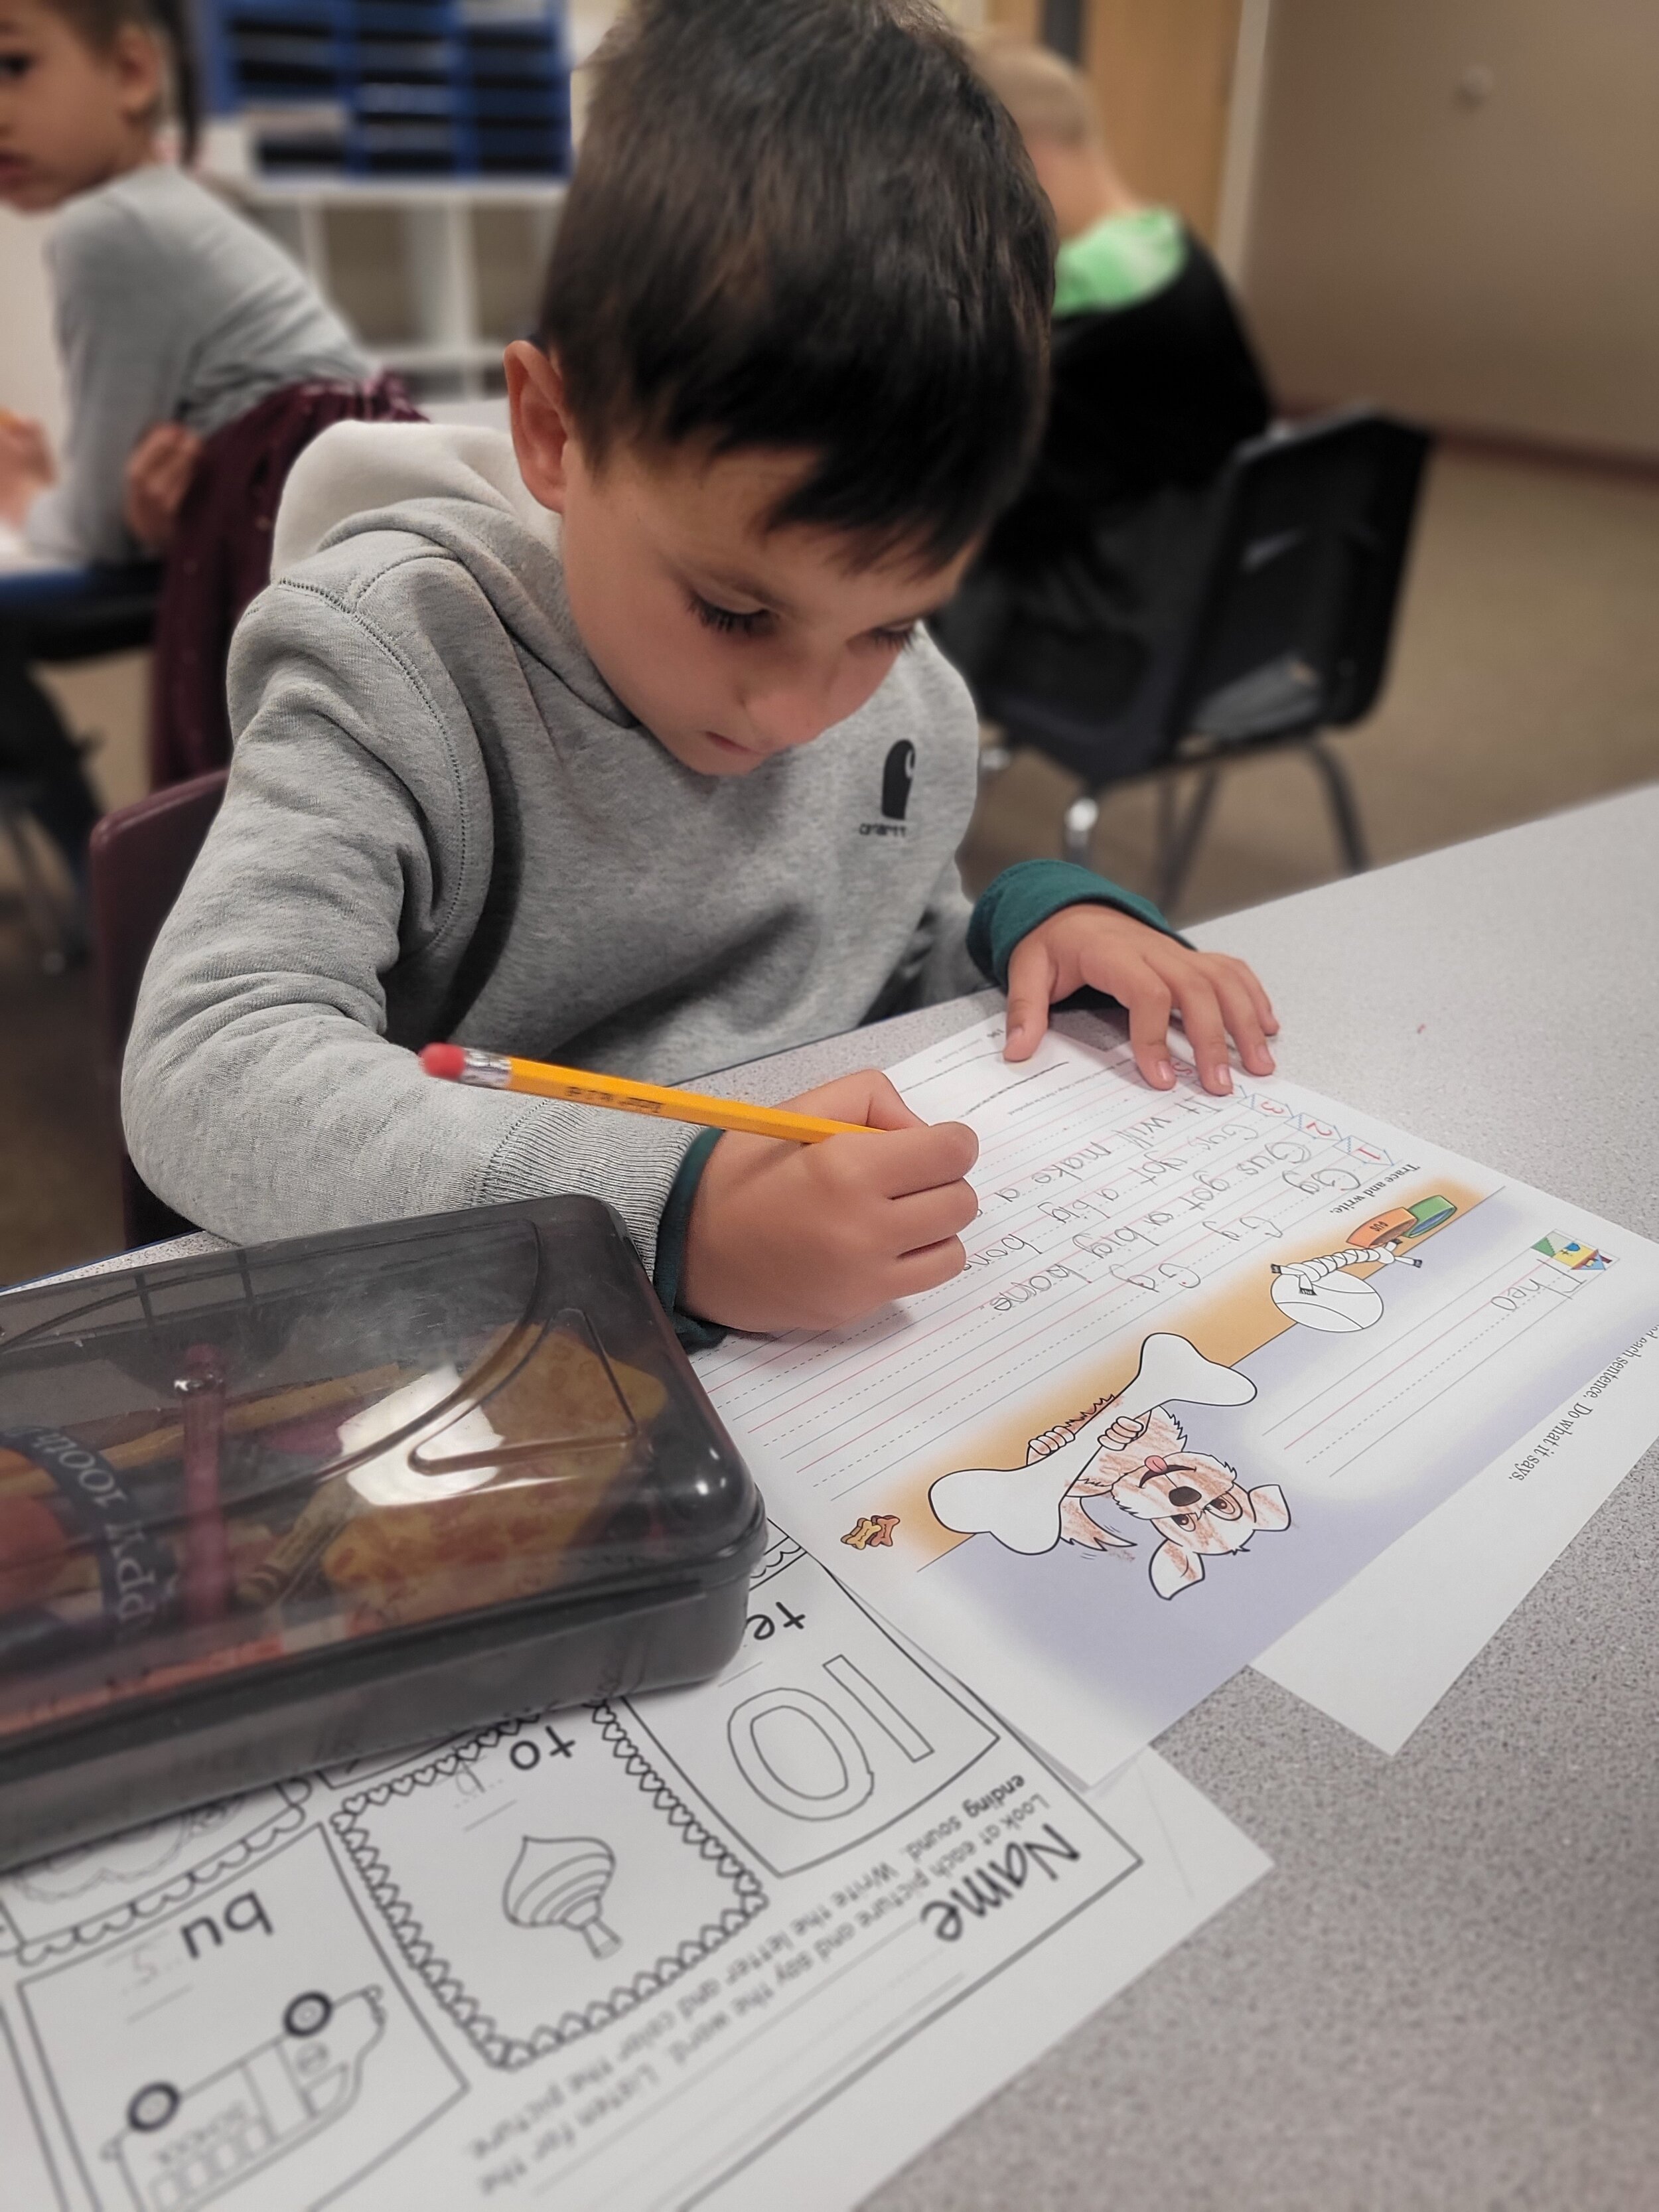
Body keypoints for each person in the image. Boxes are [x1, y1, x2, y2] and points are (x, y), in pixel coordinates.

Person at [123, 0, 1279, 1344]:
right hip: (491, 1342)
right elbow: (209, 1065)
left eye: (891, 624)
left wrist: (1018, 934)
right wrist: (651, 1217)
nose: (798, 710)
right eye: (734, 611)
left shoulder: (900, 703)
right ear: (555, 431)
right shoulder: (397, 662)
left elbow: (866, 945)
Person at [0, 0, 418, 789]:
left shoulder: (105, 229)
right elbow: (126, 509)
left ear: (132, 71)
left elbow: (92, 526)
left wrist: (23, 495)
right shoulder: (171, 205)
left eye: (13, 66)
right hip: (337, 508)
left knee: (253, 803)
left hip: (279, 517)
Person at [935, 33, 1273, 731]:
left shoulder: (1086, 298)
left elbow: (988, 486)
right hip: (1213, 615)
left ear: (1025, 155)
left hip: (1104, 629)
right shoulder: (1176, 250)